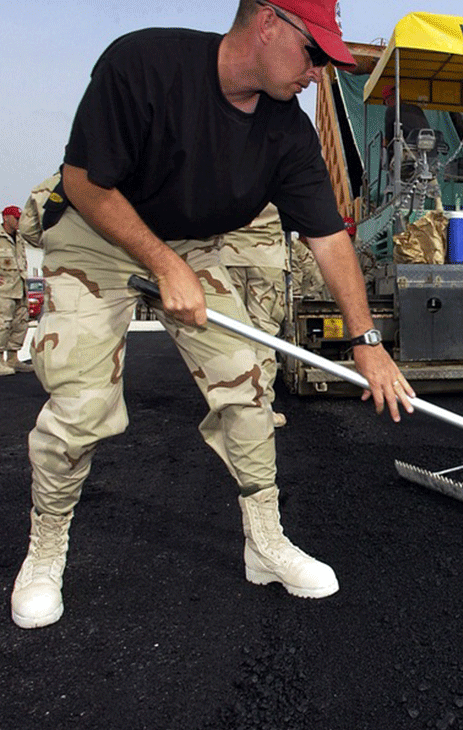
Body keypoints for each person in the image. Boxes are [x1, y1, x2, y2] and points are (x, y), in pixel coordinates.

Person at [11, 0, 416, 631]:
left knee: (249, 384)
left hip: (190, 243)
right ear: (267, 23)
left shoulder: (287, 131)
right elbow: (85, 182)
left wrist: (367, 341)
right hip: (98, 230)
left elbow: (329, 236)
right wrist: (160, 263)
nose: (317, 74)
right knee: (83, 404)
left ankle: (265, 542)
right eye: (313, 54)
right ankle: (46, 551)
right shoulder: (144, 64)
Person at [218, 202, 290, 428]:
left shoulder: (216, 165)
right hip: (266, 255)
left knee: (229, 333)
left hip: (226, 253)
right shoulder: (278, 165)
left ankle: (230, 407)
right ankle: (261, 408)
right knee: (263, 335)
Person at [0, 205, 32, 374]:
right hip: (4, 291)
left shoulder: (19, 238)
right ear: (6, 218)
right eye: (16, 218)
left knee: (20, 324)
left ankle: (13, 359)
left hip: (20, 287)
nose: (19, 221)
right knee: (2, 324)